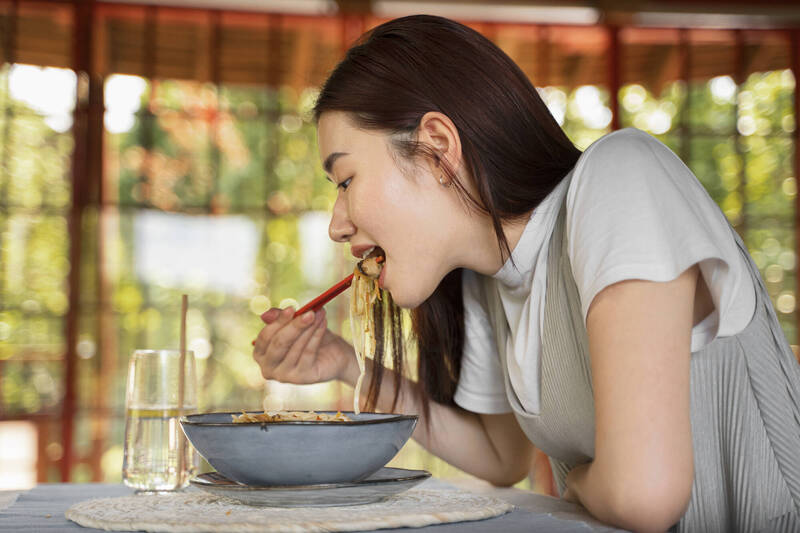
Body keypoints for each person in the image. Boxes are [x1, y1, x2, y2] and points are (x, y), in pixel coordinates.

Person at [252, 14, 800, 532]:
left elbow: (644, 494)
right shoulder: (489, 276)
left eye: (345, 180)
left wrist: (575, 482)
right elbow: (499, 457)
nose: (336, 226)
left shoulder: (621, 178)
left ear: (437, 147)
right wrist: (348, 365)